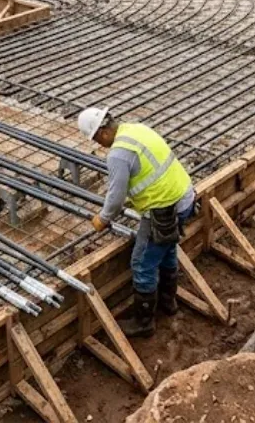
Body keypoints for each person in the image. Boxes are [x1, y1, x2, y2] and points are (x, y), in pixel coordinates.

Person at [77, 107, 195, 337]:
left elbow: (115, 197)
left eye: (97, 140)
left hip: (163, 210)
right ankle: (168, 303)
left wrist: (103, 219)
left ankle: (144, 322)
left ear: (103, 133)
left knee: (142, 263)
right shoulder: (137, 129)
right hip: (185, 197)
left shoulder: (118, 154)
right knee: (167, 249)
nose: (100, 146)